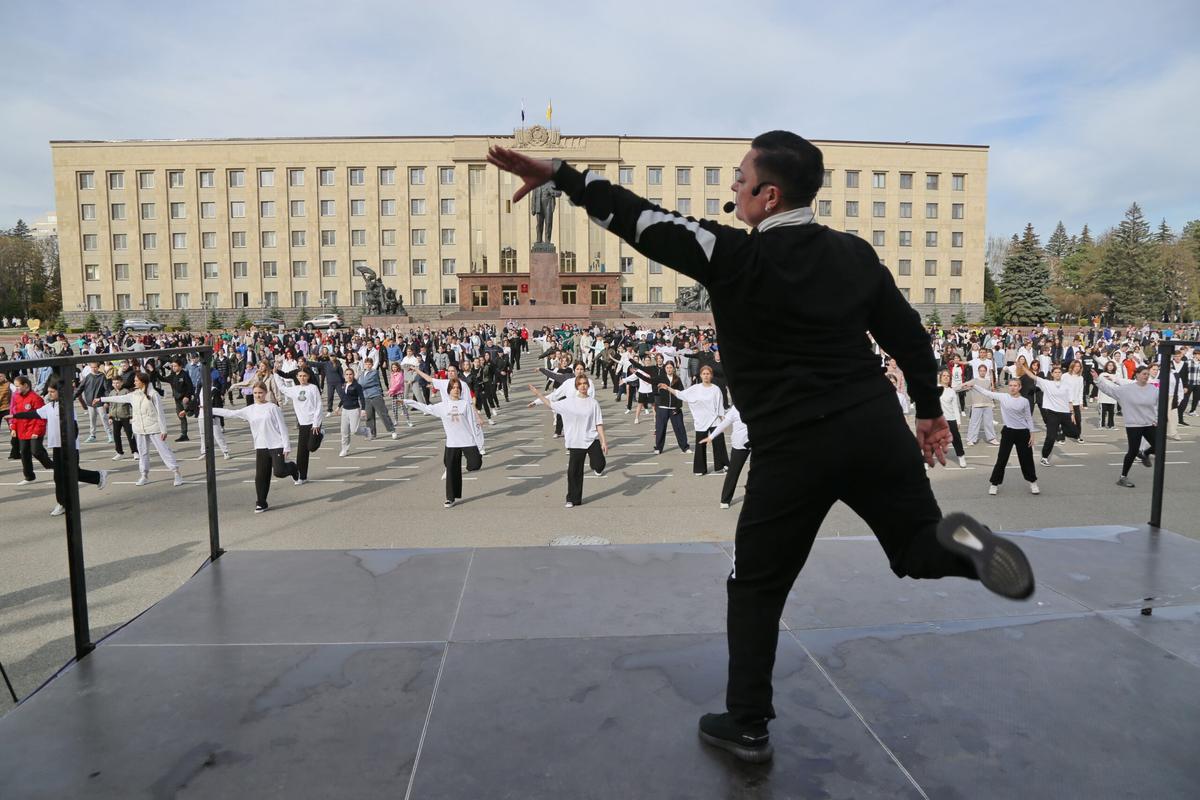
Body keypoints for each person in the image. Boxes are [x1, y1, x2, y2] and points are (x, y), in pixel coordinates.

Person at [487, 132, 1033, 764]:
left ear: (768, 195)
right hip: (873, 428)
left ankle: (746, 723)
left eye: (739, 177)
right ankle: (975, 553)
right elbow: (910, 337)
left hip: (794, 447)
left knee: (757, 587)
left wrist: (563, 175)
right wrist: (930, 413)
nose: (731, 186)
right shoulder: (854, 255)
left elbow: (642, 220)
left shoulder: (732, 255)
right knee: (914, 547)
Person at [11, 380, 109, 516]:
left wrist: (71, 443)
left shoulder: (67, 406)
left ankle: (96, 477)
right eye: (49, 391)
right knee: (59, 476)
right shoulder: (49, 406)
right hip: (56, 446)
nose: (49, 394)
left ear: (60, 392)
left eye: (52, 392)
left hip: (69, 447)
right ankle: (63, 503)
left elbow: (74, 427)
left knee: (72, 474)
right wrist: (15, 415)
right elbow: (34, 413)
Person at [214, 383, 299, 512]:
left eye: (260, 392)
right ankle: (261, 502)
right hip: (261, 446)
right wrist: (209, 409)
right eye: (255, 393)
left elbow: (282, 427)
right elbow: (230, 413)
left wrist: (286, 446)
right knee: (261, 476)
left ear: (265, 393)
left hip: (276, 444)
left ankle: (292, 467)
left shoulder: (272, 408)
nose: (258, 395)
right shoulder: (250, 410)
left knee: (279, 472)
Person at [404, 378, 484, 508]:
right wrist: (408, 401)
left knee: (475, 464)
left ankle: (472, 461)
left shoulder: (465, 404)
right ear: (449, 390)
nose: (456, 390)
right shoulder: (442, 406)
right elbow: (425, 407)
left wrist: (479, 443)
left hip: (467, 440)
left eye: (458, 388)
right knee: (452, 470)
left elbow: (473, 424)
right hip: (452, 443)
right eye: (454, 388)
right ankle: (450, 498)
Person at [529, 377, 608, 508]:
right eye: (580, 384)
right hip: (576, 441)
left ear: (588, 386)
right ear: (577, 386)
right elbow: (551, 403)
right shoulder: (568, 402)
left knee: (599, 464)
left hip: (591, 439)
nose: (583, 386)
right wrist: (538, 394)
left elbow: (598, 423)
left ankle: (596, 468)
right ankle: (572, 499)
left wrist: (604, 441)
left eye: (585, 384)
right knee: (574, 471)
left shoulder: (593, 403)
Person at [98, 372, 184, 486]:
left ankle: (176, 473)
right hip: (139, 428)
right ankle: (144, 475)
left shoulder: (153, 394)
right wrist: (101, 399)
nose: (134, 382)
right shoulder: (134, 394)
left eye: (136, 380)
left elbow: (160, 413)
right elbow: (119, 398)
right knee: (143, 453)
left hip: (154, 427)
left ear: (143, 382)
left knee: (164, 451)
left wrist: (164, 430)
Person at [969, 377, 1040, 495]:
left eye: (1015, 385)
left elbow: (1028, 418)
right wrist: (974, 386)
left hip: (1023, 433)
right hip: (1008, 432)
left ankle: (1033, 482)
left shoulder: (1024, 401)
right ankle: (994, 484)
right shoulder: (1003, 397)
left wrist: (1032, 434)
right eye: (1011, 385)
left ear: (1020, 387)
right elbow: (987, 392)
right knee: (1002, 459)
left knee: (1026, 460)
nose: (1012, 388)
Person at [659, 364, 728, 475]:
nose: (706, 376)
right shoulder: (695, 388)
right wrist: (667, 388)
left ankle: (721, 466)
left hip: (715, 420)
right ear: (700, 375)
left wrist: (723, 421)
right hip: (701, 422)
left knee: (719, 444)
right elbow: (680, 394)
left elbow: (720, 406)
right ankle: (700, 469)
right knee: (700, 445)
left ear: (711, 376)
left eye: (708, 374)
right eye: (704, 374)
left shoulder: (716, 389)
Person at [1095, 366, 1158, 488]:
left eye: (1147, 374)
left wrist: (1158, 418)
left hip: (1149, 423)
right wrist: (1097, 380)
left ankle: (1145, 453)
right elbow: (1109, 390)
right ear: (1137, 375)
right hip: (1133, 424)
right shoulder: (1127, 389)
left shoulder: (1153, 389)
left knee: (1159, 446)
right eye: (1144, 374)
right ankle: (1123, 477)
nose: (1146, 376)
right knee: (1133, 451)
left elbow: (1158, 405)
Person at [276, 367, 323, 484]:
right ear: (297, 377)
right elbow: (281, 388)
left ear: (308, 377)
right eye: (300, 376)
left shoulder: (313, 388)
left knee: (311, 447)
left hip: (314, 422)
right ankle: (302, 476)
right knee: (302, 451)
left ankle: (321, 435)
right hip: (303, 423)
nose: (302, 378)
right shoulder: (294, 389)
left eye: (304, 376)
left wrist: (316, 424)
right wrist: (276, 374)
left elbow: (319, 406)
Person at [701, 403, 749, 509]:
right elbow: (724, 424)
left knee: (757, 472)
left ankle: (752, 494)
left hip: (757, 442)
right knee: (733, 472)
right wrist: (711, 437)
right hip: (740, 444)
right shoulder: (736, 409)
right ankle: (725, 499)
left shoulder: (760, 405)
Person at [9, 376, 54, 485]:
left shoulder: (36, 398)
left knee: (36, 451)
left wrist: (36, 432)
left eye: (18, 386)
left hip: (34, 430)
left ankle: (52, 466)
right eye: (15, 386)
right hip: (21, 430)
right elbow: (14, 412)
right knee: (24, 452)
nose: (16, 388)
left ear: (25, 385)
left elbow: (42, 417)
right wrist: (13, 426)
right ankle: (29, 476)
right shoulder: (16, 396)